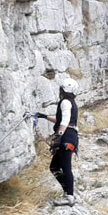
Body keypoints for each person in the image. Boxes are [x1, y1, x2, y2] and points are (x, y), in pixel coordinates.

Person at [37, 78, 80, 206]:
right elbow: (61, 119)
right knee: (54, 167)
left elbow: (64, 121)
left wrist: (59, 136)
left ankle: (69, 196)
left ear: (63, 90)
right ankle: (68, 191)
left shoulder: (65, 102)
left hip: (66, 137)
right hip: (70, 136)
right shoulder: (70, 102)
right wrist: (43, 116)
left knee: (65, 167)